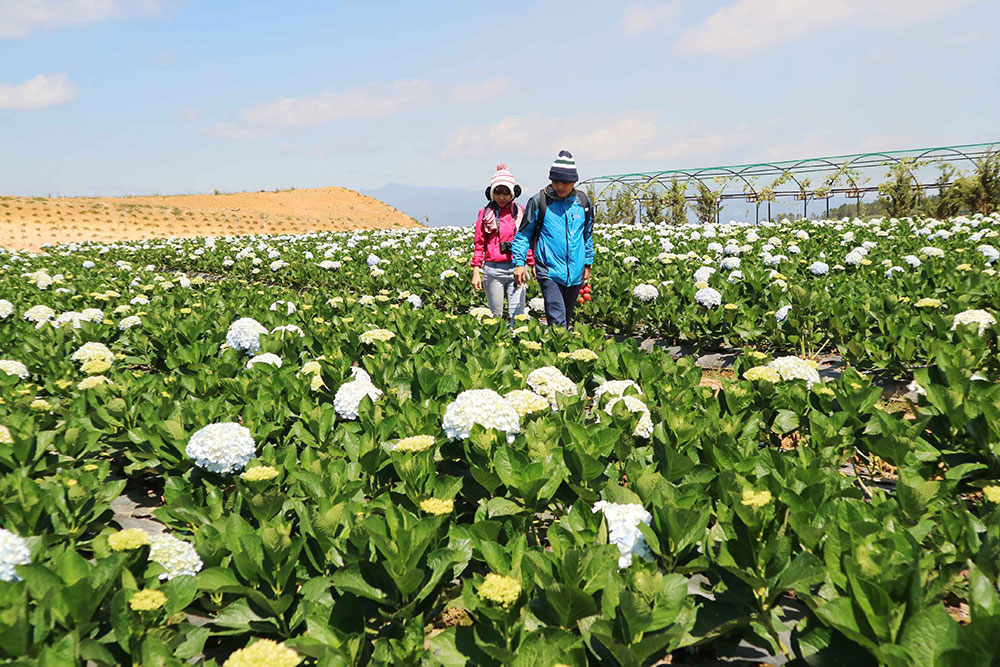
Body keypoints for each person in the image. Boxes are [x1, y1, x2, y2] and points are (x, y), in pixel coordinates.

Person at [512, 150, 593, 328]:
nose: (560, 186)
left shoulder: (583, 203)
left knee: (566, 317)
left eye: (565, 182)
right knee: (557, 318)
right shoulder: (539, 201)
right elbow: (523, 235)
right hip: (549, 271)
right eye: (556, 181)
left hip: (575, 272)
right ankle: (560, 352)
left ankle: (559, 350)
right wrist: (519, 263)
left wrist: (587, 263)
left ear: (574, 182)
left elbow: (587, 234)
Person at [470, 164, 533, 321]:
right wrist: (476, 271)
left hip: (517, 268)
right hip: (493, 269)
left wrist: (532, 265)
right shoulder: (485, 214)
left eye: (506, 192)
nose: (502, 197)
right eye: (498, 192)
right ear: (490, 193)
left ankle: (515, 342)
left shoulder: (520, 212)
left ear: (514, 192)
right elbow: (479, 243)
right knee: (495, 316)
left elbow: (526, 240)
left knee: (517, 315)